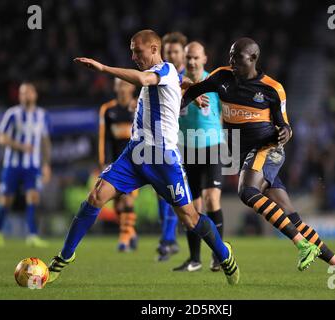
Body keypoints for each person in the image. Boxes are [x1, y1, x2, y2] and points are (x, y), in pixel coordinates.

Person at [47, 30, 240, 286]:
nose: (133, 55)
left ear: (153, 49)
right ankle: (63, 258)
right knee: (96, 196)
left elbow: (142, 78)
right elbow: (175, 81)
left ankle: (225, 255)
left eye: (137, 51)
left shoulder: (165, 70)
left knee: (190, 217)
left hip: (163, 159)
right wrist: (190, 88)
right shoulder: (170, 76)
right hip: (135, 153)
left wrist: (103, 68)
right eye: (131, 50)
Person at [182, 38, 335, 286]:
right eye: (231, 55)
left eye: (238, 57)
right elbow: (192, 90)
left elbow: (284, 125)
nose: (231, 60)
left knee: (246, 191)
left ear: (253, 59)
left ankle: (301, 246)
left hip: (267, 149)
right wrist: (178, 107)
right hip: (246, 155)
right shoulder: (222, 77)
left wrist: (286, 132)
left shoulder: (272, 89)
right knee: (292, 218)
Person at [173, 42, 225, 273]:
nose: (192, 62)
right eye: (189, 58)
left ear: (204, 58)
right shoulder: (176, 83)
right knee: (191, 207)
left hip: (212, 147)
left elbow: (227, 113)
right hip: (186, 150)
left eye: (196, 57)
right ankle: (194, 259)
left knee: (212, 199)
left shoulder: (214, 83)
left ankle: (219, 255)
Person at [0, 82, 52, 248]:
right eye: (22, 93)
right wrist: (20, 146)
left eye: (28, 92)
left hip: (32, 165)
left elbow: (45, 141)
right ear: (19, 96)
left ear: (35, 95)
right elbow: (1, 138)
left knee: (33, 197)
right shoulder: (12, 114)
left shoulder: (42, 115)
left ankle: (32, 235)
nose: (25, 96)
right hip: (12, 165)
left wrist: (46, 164)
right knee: (6, 199)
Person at [154, 31, 189, 261]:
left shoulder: (189, 78)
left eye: (175, 51)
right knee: (162, 195)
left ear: (183, 54)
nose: (171, 55)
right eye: (168, 52)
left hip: (189, 142)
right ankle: (170, 237)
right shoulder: (161, 75)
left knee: (173, 194)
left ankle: (167, 241)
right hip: (163, 141)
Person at [98, 78, 138, 252]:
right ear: (115, 87)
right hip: (115, 161)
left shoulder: (138, 107)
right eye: (119, 84)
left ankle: (124, 239)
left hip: (135, 161)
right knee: (117, 204)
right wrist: (103, 161)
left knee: (127, 198)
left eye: (125, 84)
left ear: (132, 87)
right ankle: (131, 232)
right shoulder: (107, 110)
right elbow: (103, 138)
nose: (122, 88)